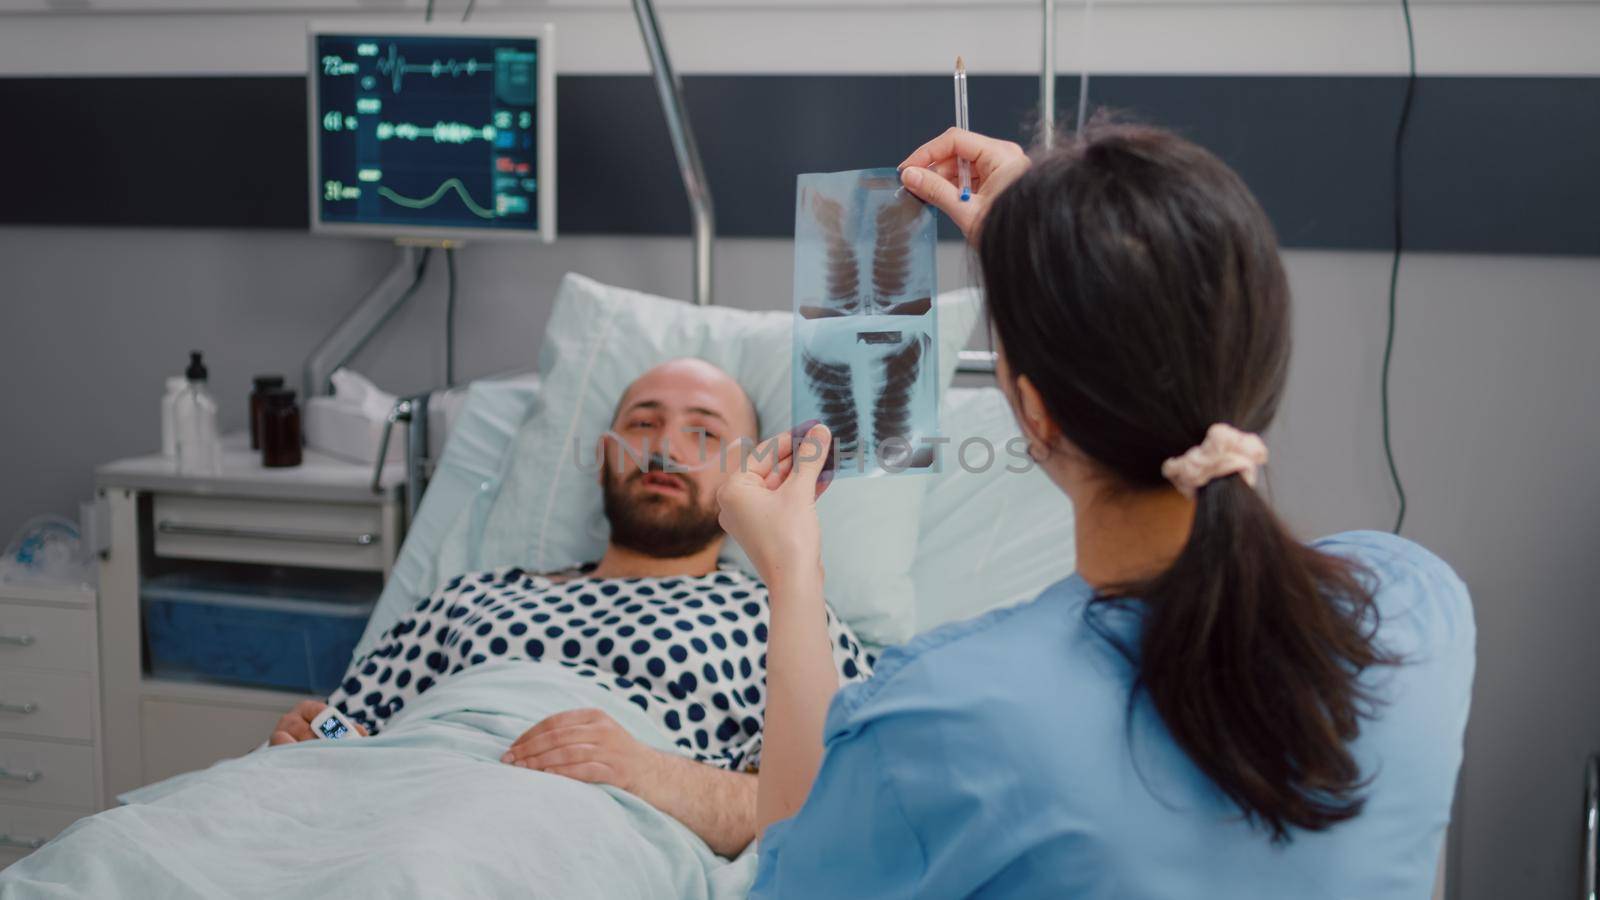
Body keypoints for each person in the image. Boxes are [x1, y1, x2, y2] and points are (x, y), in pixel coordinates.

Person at [717, 123, 1475, 897]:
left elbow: (797, 871)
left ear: (1036, 413)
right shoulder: (1415, 606)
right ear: (1261, 355)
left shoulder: (943, 720)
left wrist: (794, 569)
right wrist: (1051, 269)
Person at [267, 358, 873, 858]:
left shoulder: (782, 612)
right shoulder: (470, 596)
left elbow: (833, 804)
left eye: (705, 433)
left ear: (748, 471)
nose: (664, 447)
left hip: (565, 837)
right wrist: (315, 737)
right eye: (642, 424)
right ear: (605, 453)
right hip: (378, 810)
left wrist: (648, 774)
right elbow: (345, 736)